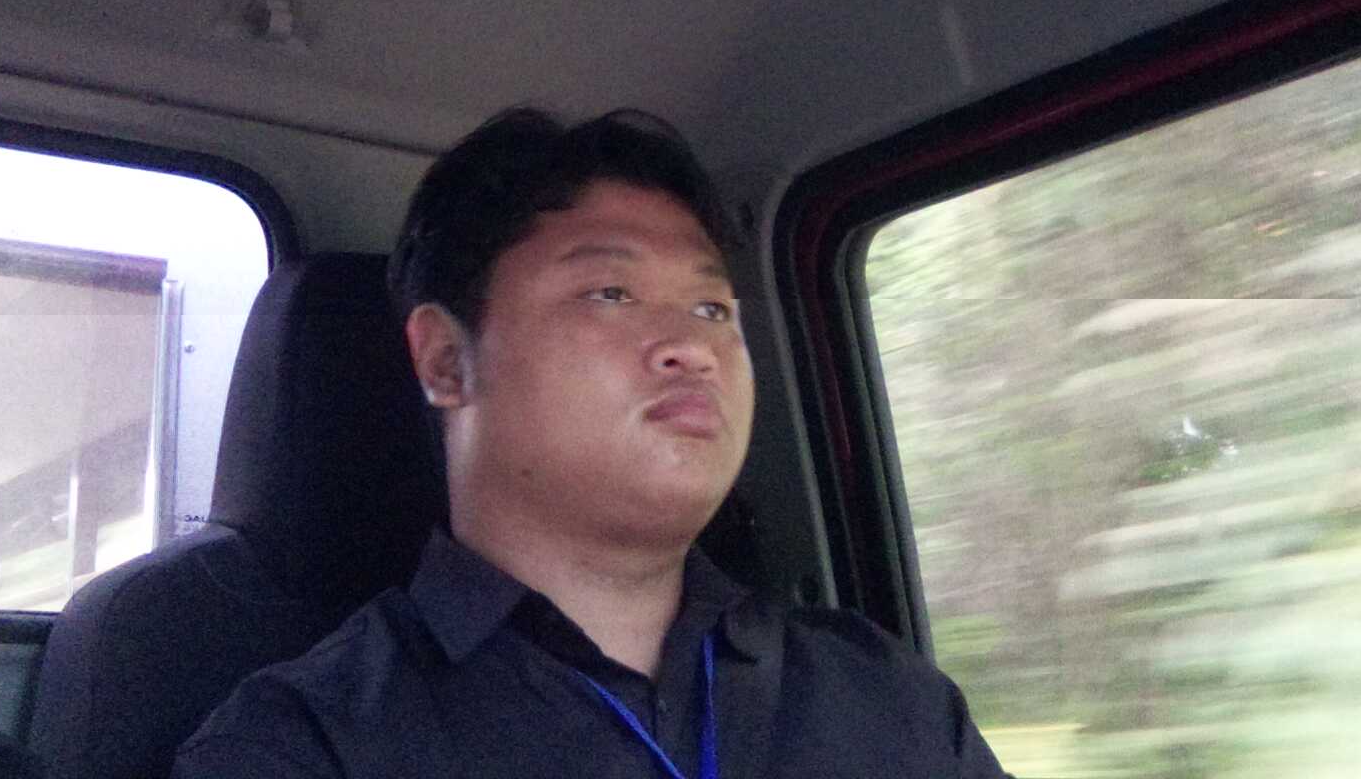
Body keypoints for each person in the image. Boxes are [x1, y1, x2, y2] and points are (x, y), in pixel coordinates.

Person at [173, 108, 1011, 778]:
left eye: (713, 309)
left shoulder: (883, 694)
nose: (692, 346)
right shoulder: (304, 744)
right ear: (446, 360)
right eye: (611, 292)